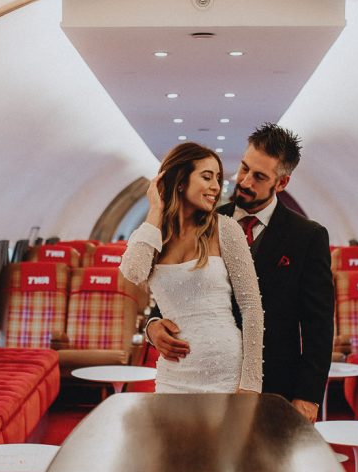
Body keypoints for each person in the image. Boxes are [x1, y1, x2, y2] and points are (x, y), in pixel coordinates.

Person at [147, 124, 334, 422]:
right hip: (200, 373)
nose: (244, 181)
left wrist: (308, 395)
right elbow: (176, 283)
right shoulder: (205, 220)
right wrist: (153, 324)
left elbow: (318, 325)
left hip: (274, 382)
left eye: (259, 176)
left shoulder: (307, 237)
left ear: (282, 182)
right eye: (244, 168)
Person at [120, 142, 263, 394]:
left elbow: (251, 307)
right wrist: (155, 211)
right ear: (180, 181)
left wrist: (251, 382)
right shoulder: (152, 235)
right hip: (173, 371)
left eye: (218, 178)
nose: (216, 187)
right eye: (206, 177)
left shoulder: (226, 229)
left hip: (225, 370)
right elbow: (133, 272)